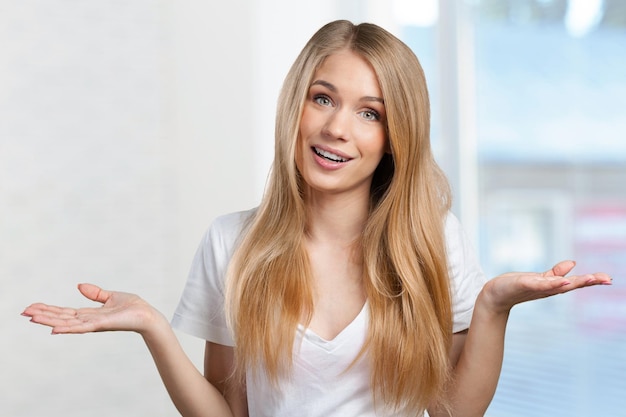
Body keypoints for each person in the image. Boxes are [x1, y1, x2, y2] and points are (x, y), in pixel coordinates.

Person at [22, 20, 611, 417]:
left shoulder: (432, 240)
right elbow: (231, 415)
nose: (336, 128)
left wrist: (492, 308)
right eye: (323, 98)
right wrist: (154, 327)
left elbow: (453, 412)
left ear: (394, 138)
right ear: (296, 106)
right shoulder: (233, 243)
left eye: (369, 113)